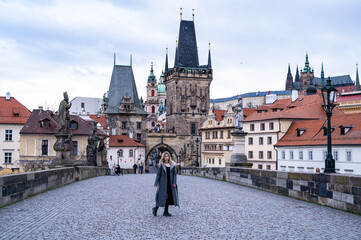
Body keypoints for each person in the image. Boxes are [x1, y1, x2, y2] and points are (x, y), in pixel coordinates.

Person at [153, 151, 179, 217]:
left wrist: (174, 182)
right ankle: (155, 208)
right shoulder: (161, 165)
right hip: (163, 183)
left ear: (169, 157)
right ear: (163, 157)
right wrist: (156, 182)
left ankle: (166, 211)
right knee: (162, 197)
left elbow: (174, 175)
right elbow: (158, 174)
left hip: (170, 184)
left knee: (169, 197)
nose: (166, 158)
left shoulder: (172, 165)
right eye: (165, 156)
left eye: (167, 156)